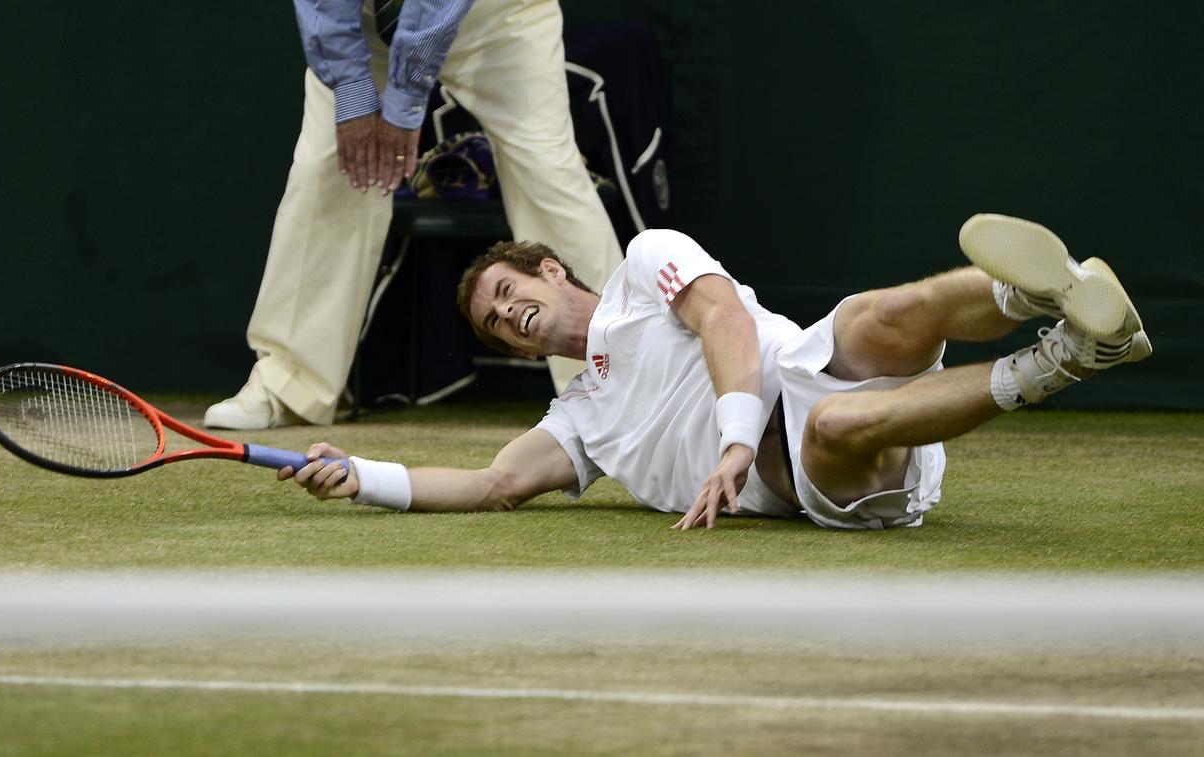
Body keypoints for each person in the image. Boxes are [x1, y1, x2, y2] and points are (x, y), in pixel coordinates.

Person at [278, 214, 1151, 530]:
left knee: (871, 316)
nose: (507, 315)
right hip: (817, 473)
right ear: (514, 349)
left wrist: (730, 441)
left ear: (549, 269)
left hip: (802, 367)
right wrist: (363, 478)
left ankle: (1049, 290)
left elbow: (724, 317)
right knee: (837, 425)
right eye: (495, 325)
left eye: (508, 291)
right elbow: (489, 484)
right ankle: (1071, 355)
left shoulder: (646, 258)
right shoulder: (582, 416)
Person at [204, 0, 624, 429]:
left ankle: (619, 376)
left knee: (548, 171)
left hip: (497, 14)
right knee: (327, 169)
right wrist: (351, 91)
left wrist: (404, 102)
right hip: (365, 25)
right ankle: (288, 385)